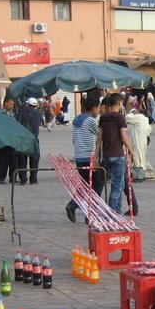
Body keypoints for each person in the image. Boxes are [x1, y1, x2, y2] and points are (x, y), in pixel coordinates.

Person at [65, 95, 104, 223]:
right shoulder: (91, 121)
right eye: (98, 108)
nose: (99, 111)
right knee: (97, 184)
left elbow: (73, 140)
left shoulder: (77, 120)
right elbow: (100, 136)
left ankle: (74, 205)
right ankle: (88, 212)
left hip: (79, 156)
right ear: (94, 108)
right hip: (89, 156)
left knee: (85, 185)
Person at [98, 93, 137, 214]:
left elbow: (99, 139)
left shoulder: (103, 118)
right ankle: (111, 213)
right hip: (118, 155)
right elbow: (124, 137)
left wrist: (95, 157)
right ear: (119, 104)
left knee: (119, 185)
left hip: (107, 155)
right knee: (116, 186)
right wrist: (132, 152)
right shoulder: (120, 118)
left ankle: (117, 211)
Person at [15, 97, 43, 184]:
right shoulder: (38, 114)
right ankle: (33, 179)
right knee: (34, 160)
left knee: (22, 160)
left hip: (23, 139)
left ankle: (23, 179)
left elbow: (17, 124)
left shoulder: (22, 112)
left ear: (27, 104)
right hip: (34, 139)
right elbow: (41, 123)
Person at [0, 99, 17, 184]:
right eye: (10, 104)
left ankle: (13, 177)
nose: (12, 106)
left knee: (13, 160)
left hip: (12, 139)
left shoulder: (12, 114)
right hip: (4, 140)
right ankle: (1, 178)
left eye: (13, 104)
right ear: (5, 103)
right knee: (4, 160)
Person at [125, 105, 152, 176]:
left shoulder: (139, 117)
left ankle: (140, 175)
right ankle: (141, 173)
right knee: (141, 157)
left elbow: (127, 117)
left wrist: (132, 113)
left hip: (138, 141)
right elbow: (149, 129)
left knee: (138, 157)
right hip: (142, 141)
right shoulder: (145, 119)